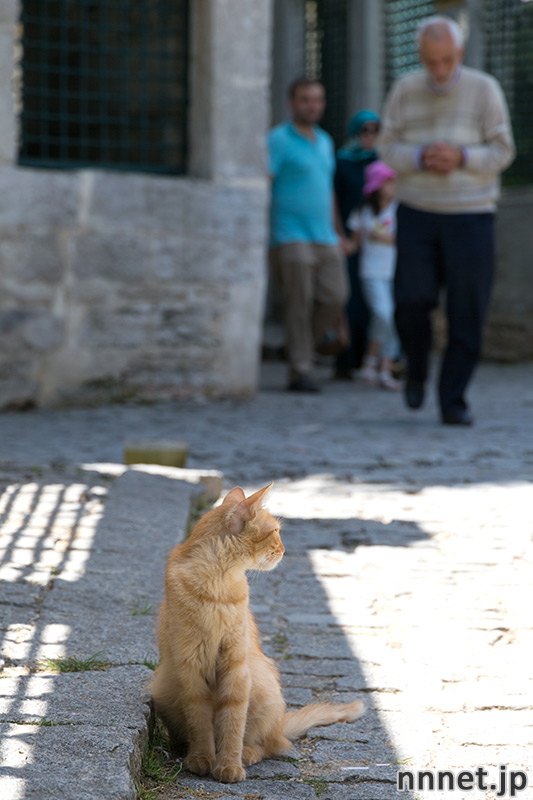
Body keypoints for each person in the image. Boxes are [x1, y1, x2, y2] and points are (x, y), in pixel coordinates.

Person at [379, 15, 515, 425]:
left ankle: (453, 400)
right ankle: (415, 370)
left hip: (471, 215)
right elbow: (387, 147)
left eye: (446, 60)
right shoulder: (404, 89)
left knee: (466, 311)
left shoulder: (485, 88)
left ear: (459, 53)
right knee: (410, 301)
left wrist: (462, 157)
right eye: (430, 61)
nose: (439, 70)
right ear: (420, 56)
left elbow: (503, 150)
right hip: (417, 211)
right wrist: (420, 157)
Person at [268, 77, 348, 393]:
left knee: (335, 296)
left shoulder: (326, 142)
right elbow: (266, 181)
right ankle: (300, 369)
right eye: (305, 99)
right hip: (290, 235)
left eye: (317, 99)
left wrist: (339, 232)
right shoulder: (277, 140)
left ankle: (298, 350)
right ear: (292, 103)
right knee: (298, 303)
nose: (312, 105)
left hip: (325, 236)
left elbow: (327, 192)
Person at [346, 161, 401, 391]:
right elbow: (353, 244)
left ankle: (383, 370)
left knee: (393, 319)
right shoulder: (362, 211)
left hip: (396, 273)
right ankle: (371, 362)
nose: (393, 185)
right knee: (383, 314)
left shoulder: (400, 209)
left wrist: (383, 238)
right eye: (388, 181)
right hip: (371, 273)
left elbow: (408, 241)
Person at [334, 111, 380, 380]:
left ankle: (372, 358)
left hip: (377, 243)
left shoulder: (383, 162)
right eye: (365, 130)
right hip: (350, 242)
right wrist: (340, 235)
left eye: (375, 130)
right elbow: (335, 201)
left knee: (375, 299)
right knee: (350, 299)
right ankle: (345, 358)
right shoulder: (342, 163)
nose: (370, 136)